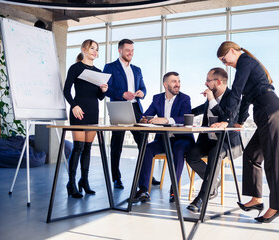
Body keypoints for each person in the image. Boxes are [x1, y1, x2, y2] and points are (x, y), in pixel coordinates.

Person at [217, 41, 279, 223]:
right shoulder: (246, 66)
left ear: (233, 51)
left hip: (271, 111)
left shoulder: (245, 62)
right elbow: (245, 98)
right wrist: (240, 121)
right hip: (267, 112)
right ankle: (256, 199)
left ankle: (277, 206)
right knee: (251, 154)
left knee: (273, 161)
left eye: (225, 59)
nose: (225, 64)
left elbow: (236, 92)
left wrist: (226, 120)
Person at [132, 72, 194, 203]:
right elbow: (146, 115)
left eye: (178, 81)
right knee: (147, 149)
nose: (177, 84)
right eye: (174, 81)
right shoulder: (157, 98)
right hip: (163, 140)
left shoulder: (185, 98)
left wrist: (166, 120)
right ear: (165, 85)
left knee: (178, 149)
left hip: (182, 139)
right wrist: (144, 119)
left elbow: (184, 118)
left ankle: (174, 190)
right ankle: (143, 190)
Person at [186, 67, 242, 213]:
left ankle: (202, 197)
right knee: (191, 154)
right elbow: (196, 110)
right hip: (209, 140)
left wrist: (211, 100)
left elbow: (226, 119)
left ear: (217, 82)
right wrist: (177, 115)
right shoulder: (211, 98)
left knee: (214, 155)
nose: (205, 84)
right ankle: (213, 182)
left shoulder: (233, 98)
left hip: (227, 142)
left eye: (208, 81)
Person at [63, 39, 108, 198]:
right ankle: (71, 183)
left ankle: (84, 181)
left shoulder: (98, 71)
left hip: (93, 111)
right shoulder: (75, 68)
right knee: (78, 147)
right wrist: (74, 106)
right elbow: (66, 91)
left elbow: (99, 97)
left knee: (88, 148)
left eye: (97, 49)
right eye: (92, 48)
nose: (95, 52)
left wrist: (103, 90)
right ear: (83, 49)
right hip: (78, 112)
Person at [103, 39, 150, 189]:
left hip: (136, 107)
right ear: (120, 51)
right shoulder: (110, 67)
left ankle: (147, 174)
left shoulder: (137, 69)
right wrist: (122, 94)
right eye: (128, 50)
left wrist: (142, 93)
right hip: (119, 107)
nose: (131, 53)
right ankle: (116, 178)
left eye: (132, 50)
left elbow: (143, 87)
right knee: (117, 143)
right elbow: (106, 89)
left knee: (143, 143)